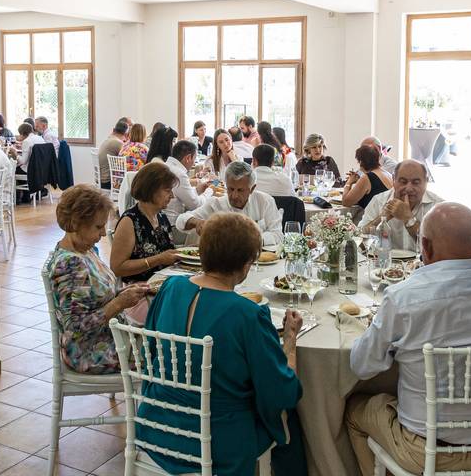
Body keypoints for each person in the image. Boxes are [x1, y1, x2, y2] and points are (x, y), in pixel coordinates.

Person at [347, 202, 471, 476]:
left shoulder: (404, 297)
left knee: (355, 409)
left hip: (428, 451)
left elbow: (362, 366)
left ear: (426, 248)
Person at [137, 212, 307, 476]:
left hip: (157, 421)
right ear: (247, 263)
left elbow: (149, 353)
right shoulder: (247, 315)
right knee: (291, 421)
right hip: (218, 440)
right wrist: (290, 342)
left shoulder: (170, 287)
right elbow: (283, 391)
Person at [44, 185, 150, 374]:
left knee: (167, 340)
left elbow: (95, 298)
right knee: (166, 351)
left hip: (109, 338)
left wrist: (123, 293)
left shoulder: (87, 250)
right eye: (98, 227)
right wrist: (119, 303)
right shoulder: (69, 264)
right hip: (90, 351)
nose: (103, 233)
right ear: (76, 223)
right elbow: (76, 327)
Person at [177, 161, 283, 246]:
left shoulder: (265, 202)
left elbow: (277, 234)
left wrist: (249, 241)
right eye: (231, 189)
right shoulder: (216, 204)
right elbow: (180, 221)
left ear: (252, 189)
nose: (234, 195)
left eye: (240, 190)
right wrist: (196, 222)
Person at [109, 162, 181, 284]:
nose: (172, 196)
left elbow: (167, 253)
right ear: (151, 190)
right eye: (168, 190)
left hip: (164, 282)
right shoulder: (129, 221)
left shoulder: (161, 216)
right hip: (140, 287)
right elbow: (117, 268)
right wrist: (158, 259)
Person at [360, 160, 442, 251]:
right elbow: (359, 243)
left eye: (416, 182)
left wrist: (409, 219)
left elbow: (437, 248)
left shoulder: (437, 206)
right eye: (403, 182)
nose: (409, 188)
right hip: (385, 263)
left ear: (426, 181)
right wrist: (382, 218)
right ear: (393, 179)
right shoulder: (379, 201)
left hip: (423, 264)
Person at [164, 140, 209, 243]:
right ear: (188, 158)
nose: (194, 162)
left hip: (163, 222)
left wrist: (197, 190)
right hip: (172, 227)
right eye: (194, 158)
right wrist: (210, 192)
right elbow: (195, 205)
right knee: (209, 228)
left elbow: (180, 194)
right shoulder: (179, 173)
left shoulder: (165, 166)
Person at [342, 145, 392, 210]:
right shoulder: (387, 174)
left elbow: (346, 202)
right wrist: (359, 181)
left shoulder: (367, 178)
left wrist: (349, 182)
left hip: (372, 218)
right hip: (384, 216)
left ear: (361, 162)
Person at [97, 119, 128, 188]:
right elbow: (129, 156)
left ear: (114, 130)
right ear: (126, 134)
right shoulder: (117, 143)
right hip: (108, 182)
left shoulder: (109, 139)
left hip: (101, 180)